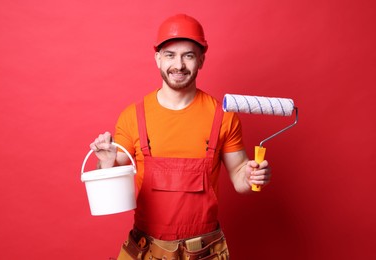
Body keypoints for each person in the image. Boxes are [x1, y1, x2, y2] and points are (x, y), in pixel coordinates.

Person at [90, 14, 271, 260]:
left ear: (201, 60)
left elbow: (240, 178)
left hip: (204, 252)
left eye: (188, 55)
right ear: (157, 59)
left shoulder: (223, 117)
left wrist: (252, 175)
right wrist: (106, 160)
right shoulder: (133, 117)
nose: (179, 65)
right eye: (170, 55)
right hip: (147, 250)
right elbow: (109, 178)